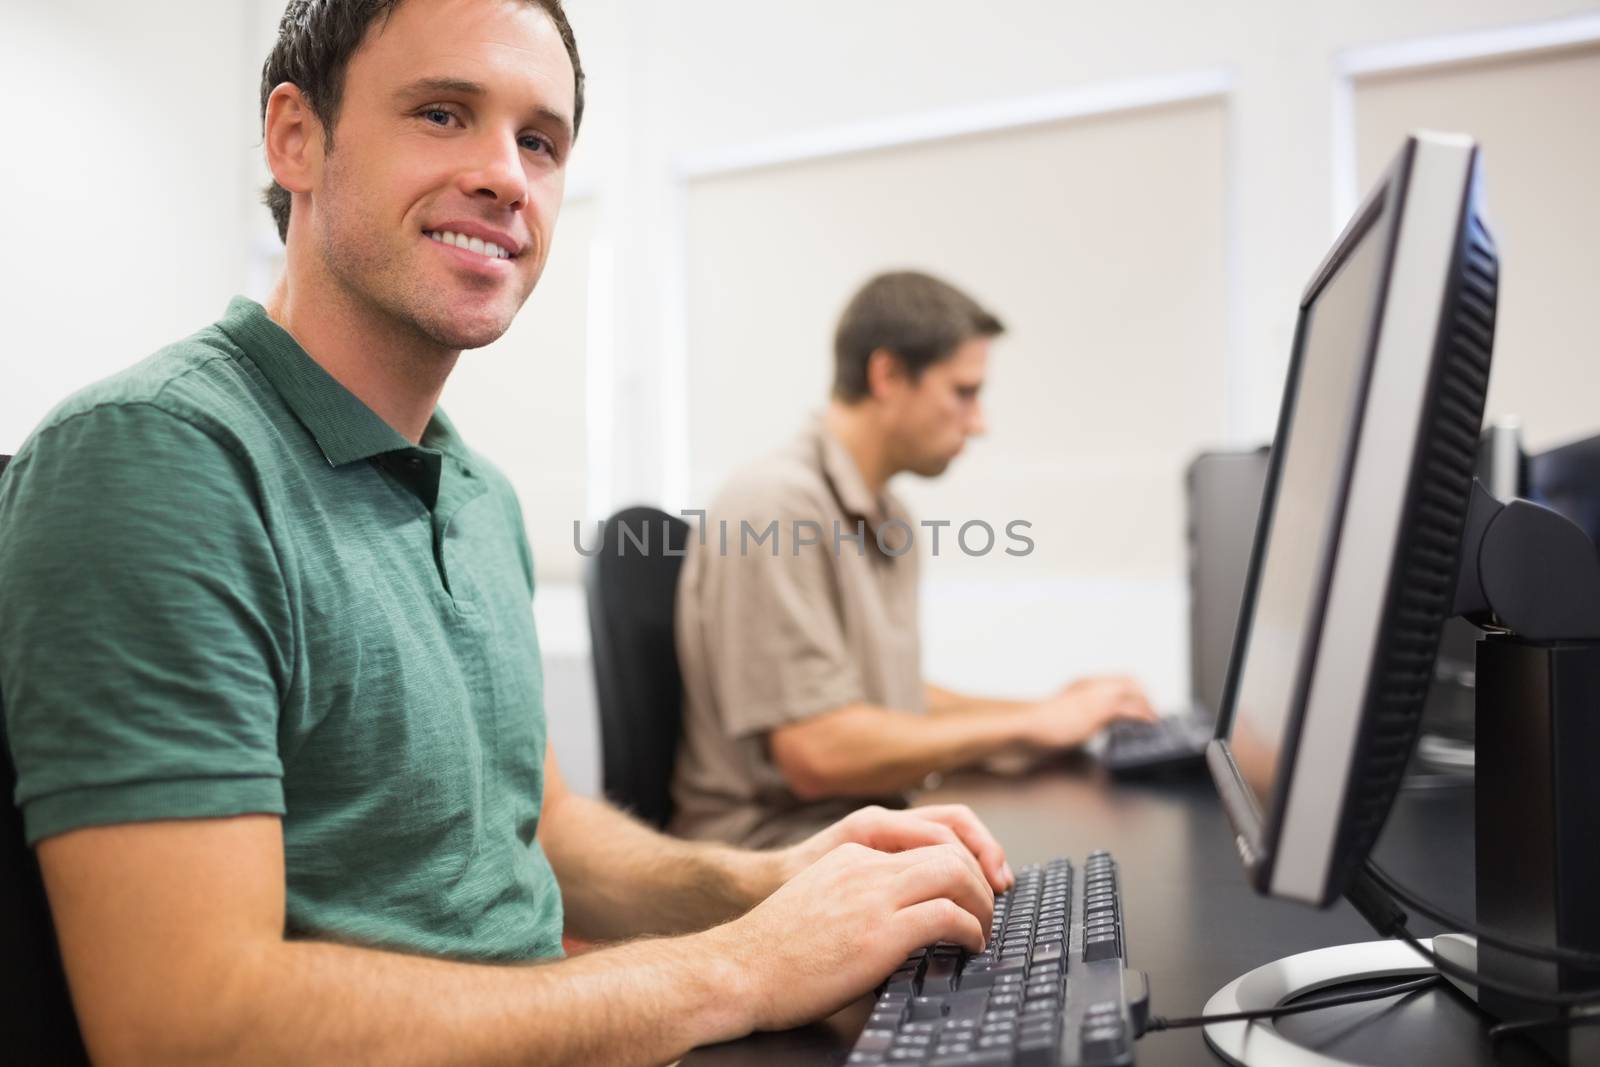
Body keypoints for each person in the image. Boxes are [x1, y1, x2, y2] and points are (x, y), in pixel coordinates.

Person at [0, 3, 1015, 1063]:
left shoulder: (473, 489)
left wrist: (768, 881)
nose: (505, 175)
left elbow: (547, 829)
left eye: (540, 140)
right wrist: (743, 963)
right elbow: (189, 1022)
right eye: (442, 113)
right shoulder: (157, 457)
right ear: (294, 136)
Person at [671, 271, 1160, 848]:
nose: (979, 423)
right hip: (771, 851)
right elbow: (818, 751)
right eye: (963, 392)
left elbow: (892, 698)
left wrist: (1051, 713)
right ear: (888, 375)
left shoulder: (886, 515)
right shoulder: (773, 506)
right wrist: (1030, 724)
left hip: (855, 824)